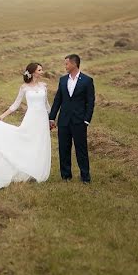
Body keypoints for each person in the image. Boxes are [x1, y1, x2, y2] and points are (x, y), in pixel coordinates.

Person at [49, 54, 94, 183]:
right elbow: (58, 100)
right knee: (64, 149)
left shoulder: (87, 80)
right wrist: (52, 118)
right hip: (63, 121)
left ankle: (85, 177)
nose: (65, 66)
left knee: (81, 149)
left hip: (79, 121)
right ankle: (66, 176)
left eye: (67, 64)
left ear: (74, 64)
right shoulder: (62, 80)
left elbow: (90, 102)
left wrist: (86, 120)